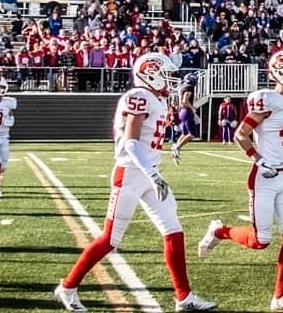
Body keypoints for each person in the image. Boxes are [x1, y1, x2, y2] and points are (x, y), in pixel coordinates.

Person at [52, 53, 213, 312]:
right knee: (109, 239)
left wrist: (153, 172)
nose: (171, 80)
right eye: (166, 75)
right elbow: (130, 142)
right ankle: (68, 287)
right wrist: (152, 173)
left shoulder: (155, 98)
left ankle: (184, 297)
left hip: (149, 173)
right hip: (130, 174)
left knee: (173, 230)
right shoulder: (139, 96)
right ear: (150, 74)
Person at [199, 49, 283, 312]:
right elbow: (241, 134)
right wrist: (259, 160)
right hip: (264, 177)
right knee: (261, 241)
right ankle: (219, 231)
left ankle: (279, 297)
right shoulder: (266, 100)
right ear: (281, 73)